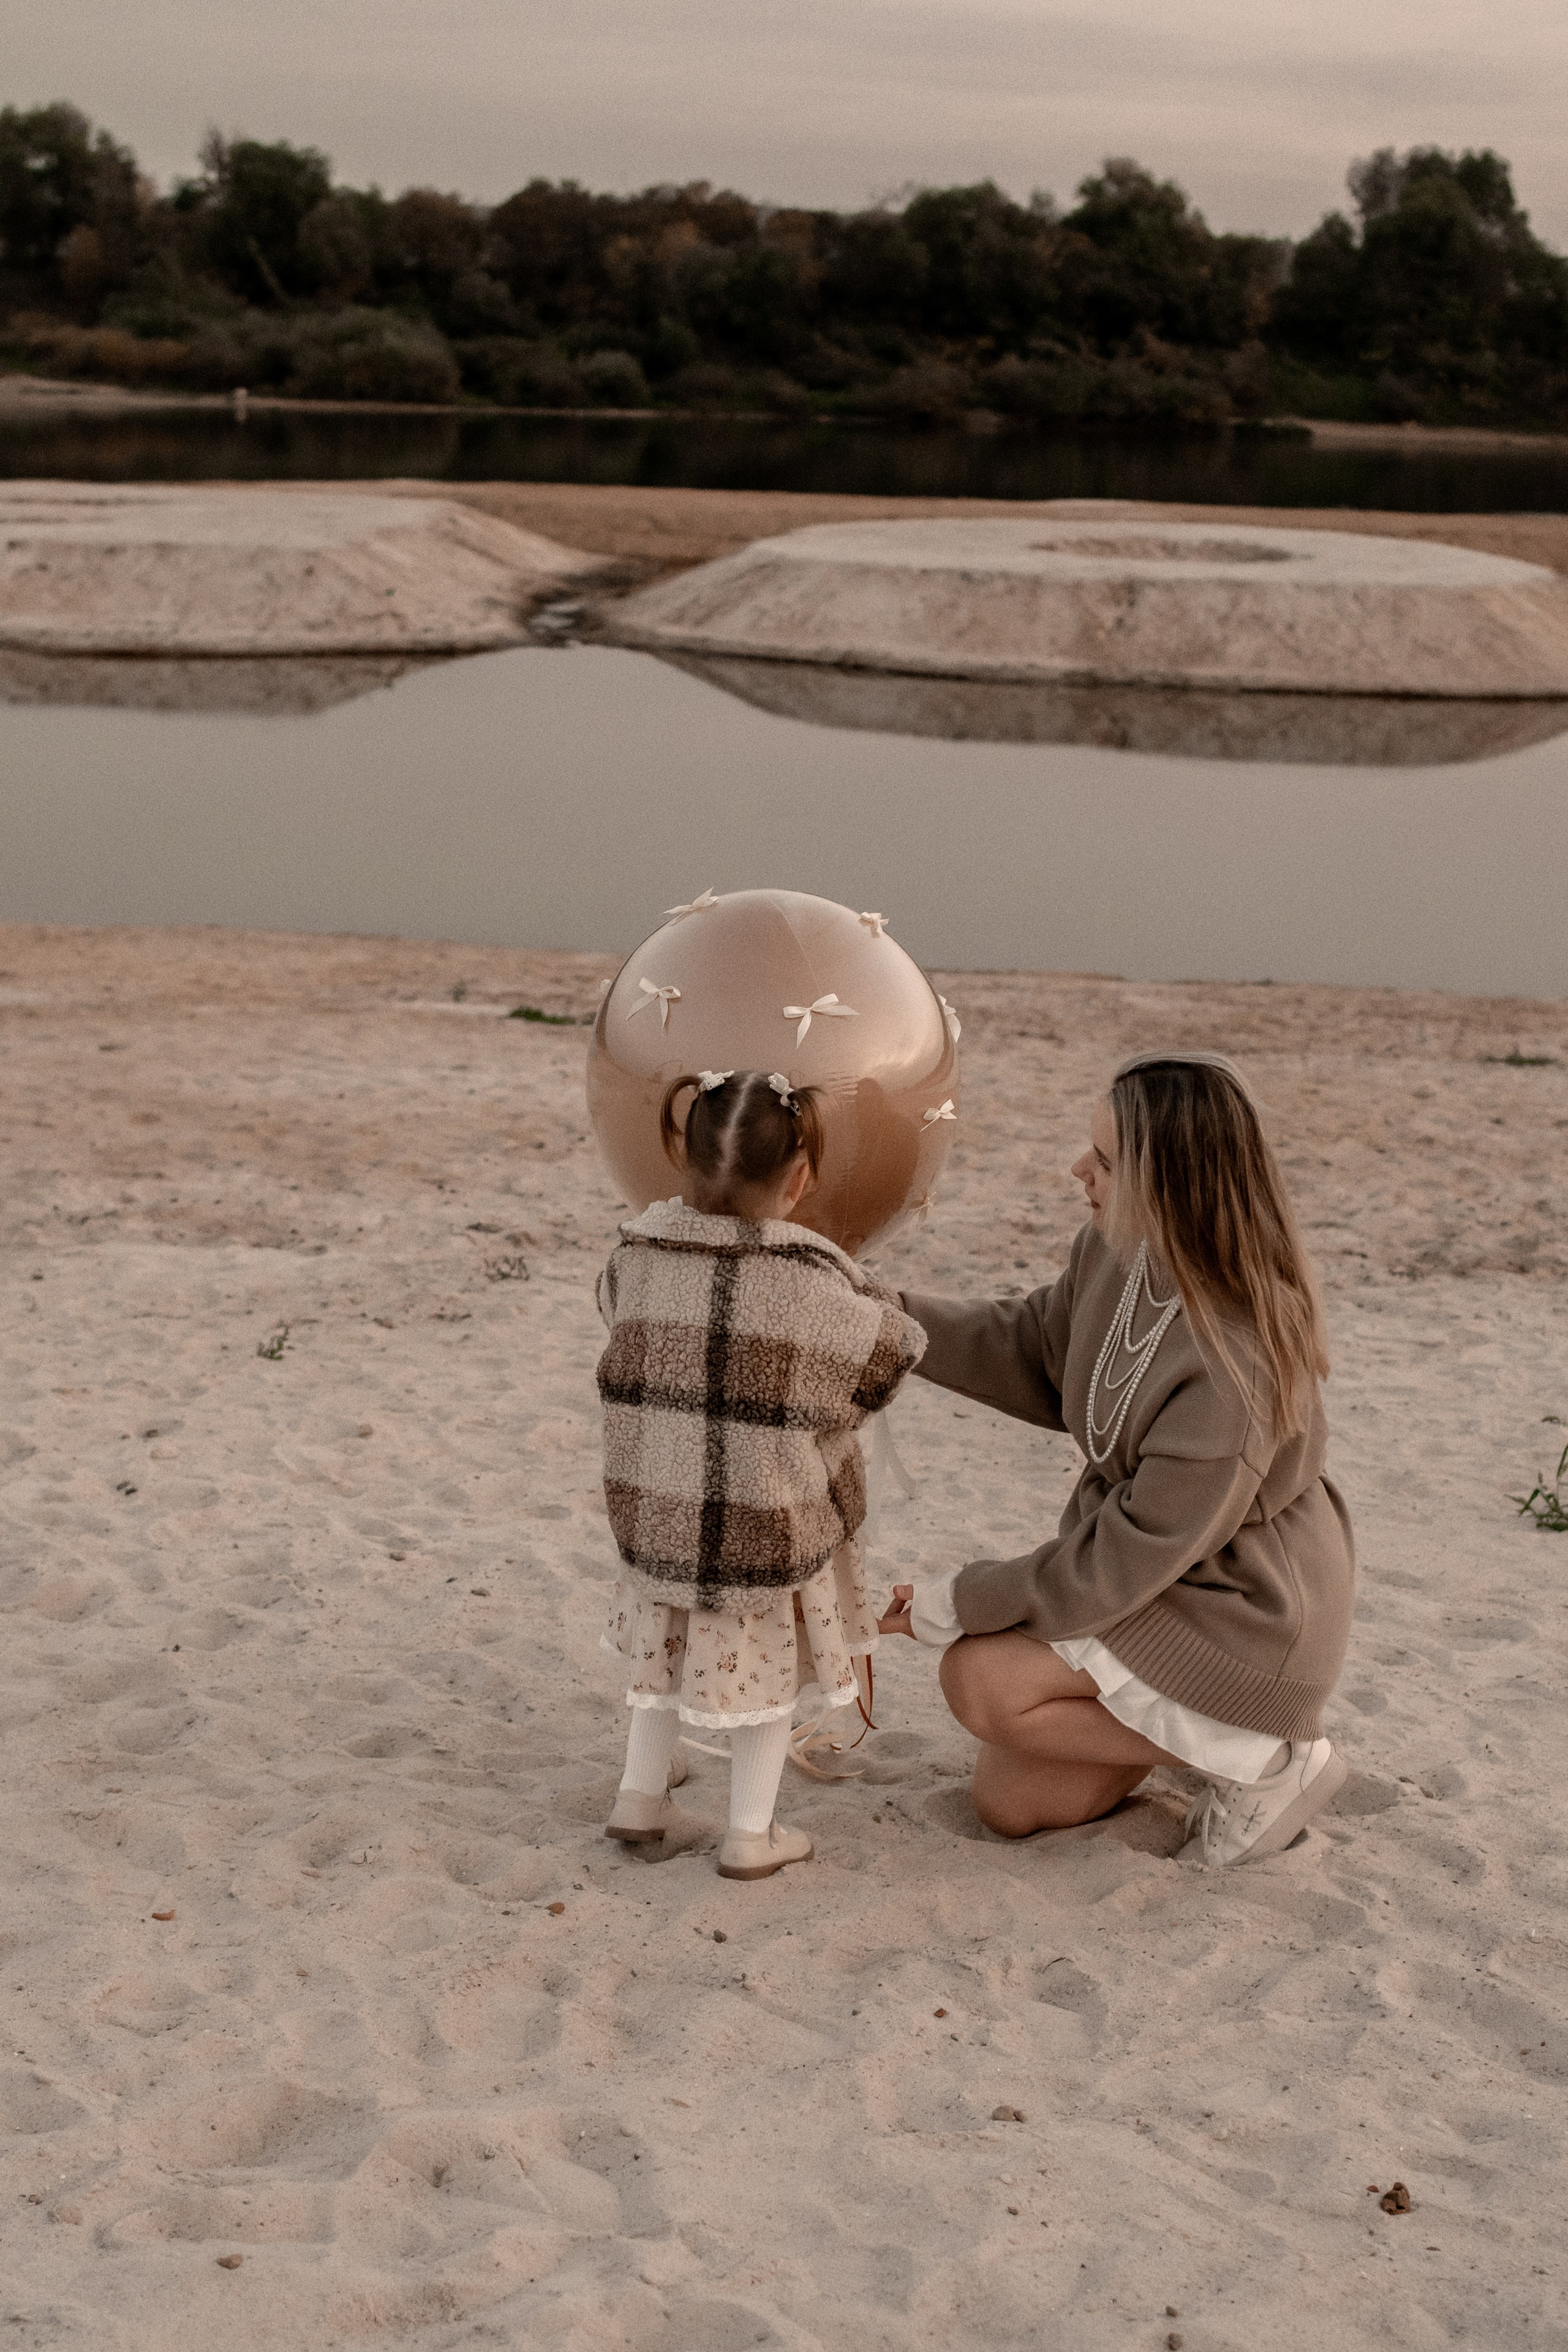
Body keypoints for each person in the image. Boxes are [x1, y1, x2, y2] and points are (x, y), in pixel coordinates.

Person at [880, 1050, 1355, 1866]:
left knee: (982, 1679)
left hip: (1239, 1606)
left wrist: (957, 1599)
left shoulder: (1235, 1361)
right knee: (1014, 1805)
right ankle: (1208, 1742)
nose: (1078, 1172)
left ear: (1171, 1183)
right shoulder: (1116, 1246)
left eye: (1104, 1161)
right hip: (1158, 1571)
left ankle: (1264, 1756)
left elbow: (1124, 1559)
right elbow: (1037, 1348)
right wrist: (885, 1319)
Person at [597, 1067, 925, 1880]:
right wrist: (845, 1262)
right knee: (763, 1678)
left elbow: (613, 1306)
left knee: (666, 1653)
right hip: (761, 1530)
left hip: (660, 1520)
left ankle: (640, 1798)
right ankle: (752, 1835)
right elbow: (892, 1354)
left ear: (684, 1165)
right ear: (802, 1177)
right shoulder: (807, 1286)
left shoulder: (636, 1258)